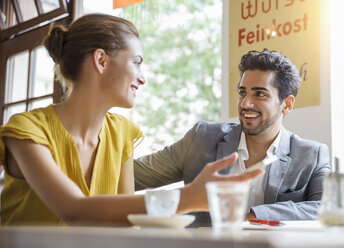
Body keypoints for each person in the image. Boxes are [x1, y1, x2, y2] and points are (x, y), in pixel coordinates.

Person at [0, 14, 262, 226]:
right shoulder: (26, 130)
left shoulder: (122, 132)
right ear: (101, 60)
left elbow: (125, 223)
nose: (142, 77)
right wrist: (187, 198)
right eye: (136, 63)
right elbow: (74, 210)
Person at [134, 49, 331, 227]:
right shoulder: (201, 138)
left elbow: (326, 209)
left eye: (260, 94)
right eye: (242, 92)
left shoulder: (312, 155)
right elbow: (135, 175)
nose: (246, 103)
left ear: (287, 104)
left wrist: (254, 215)